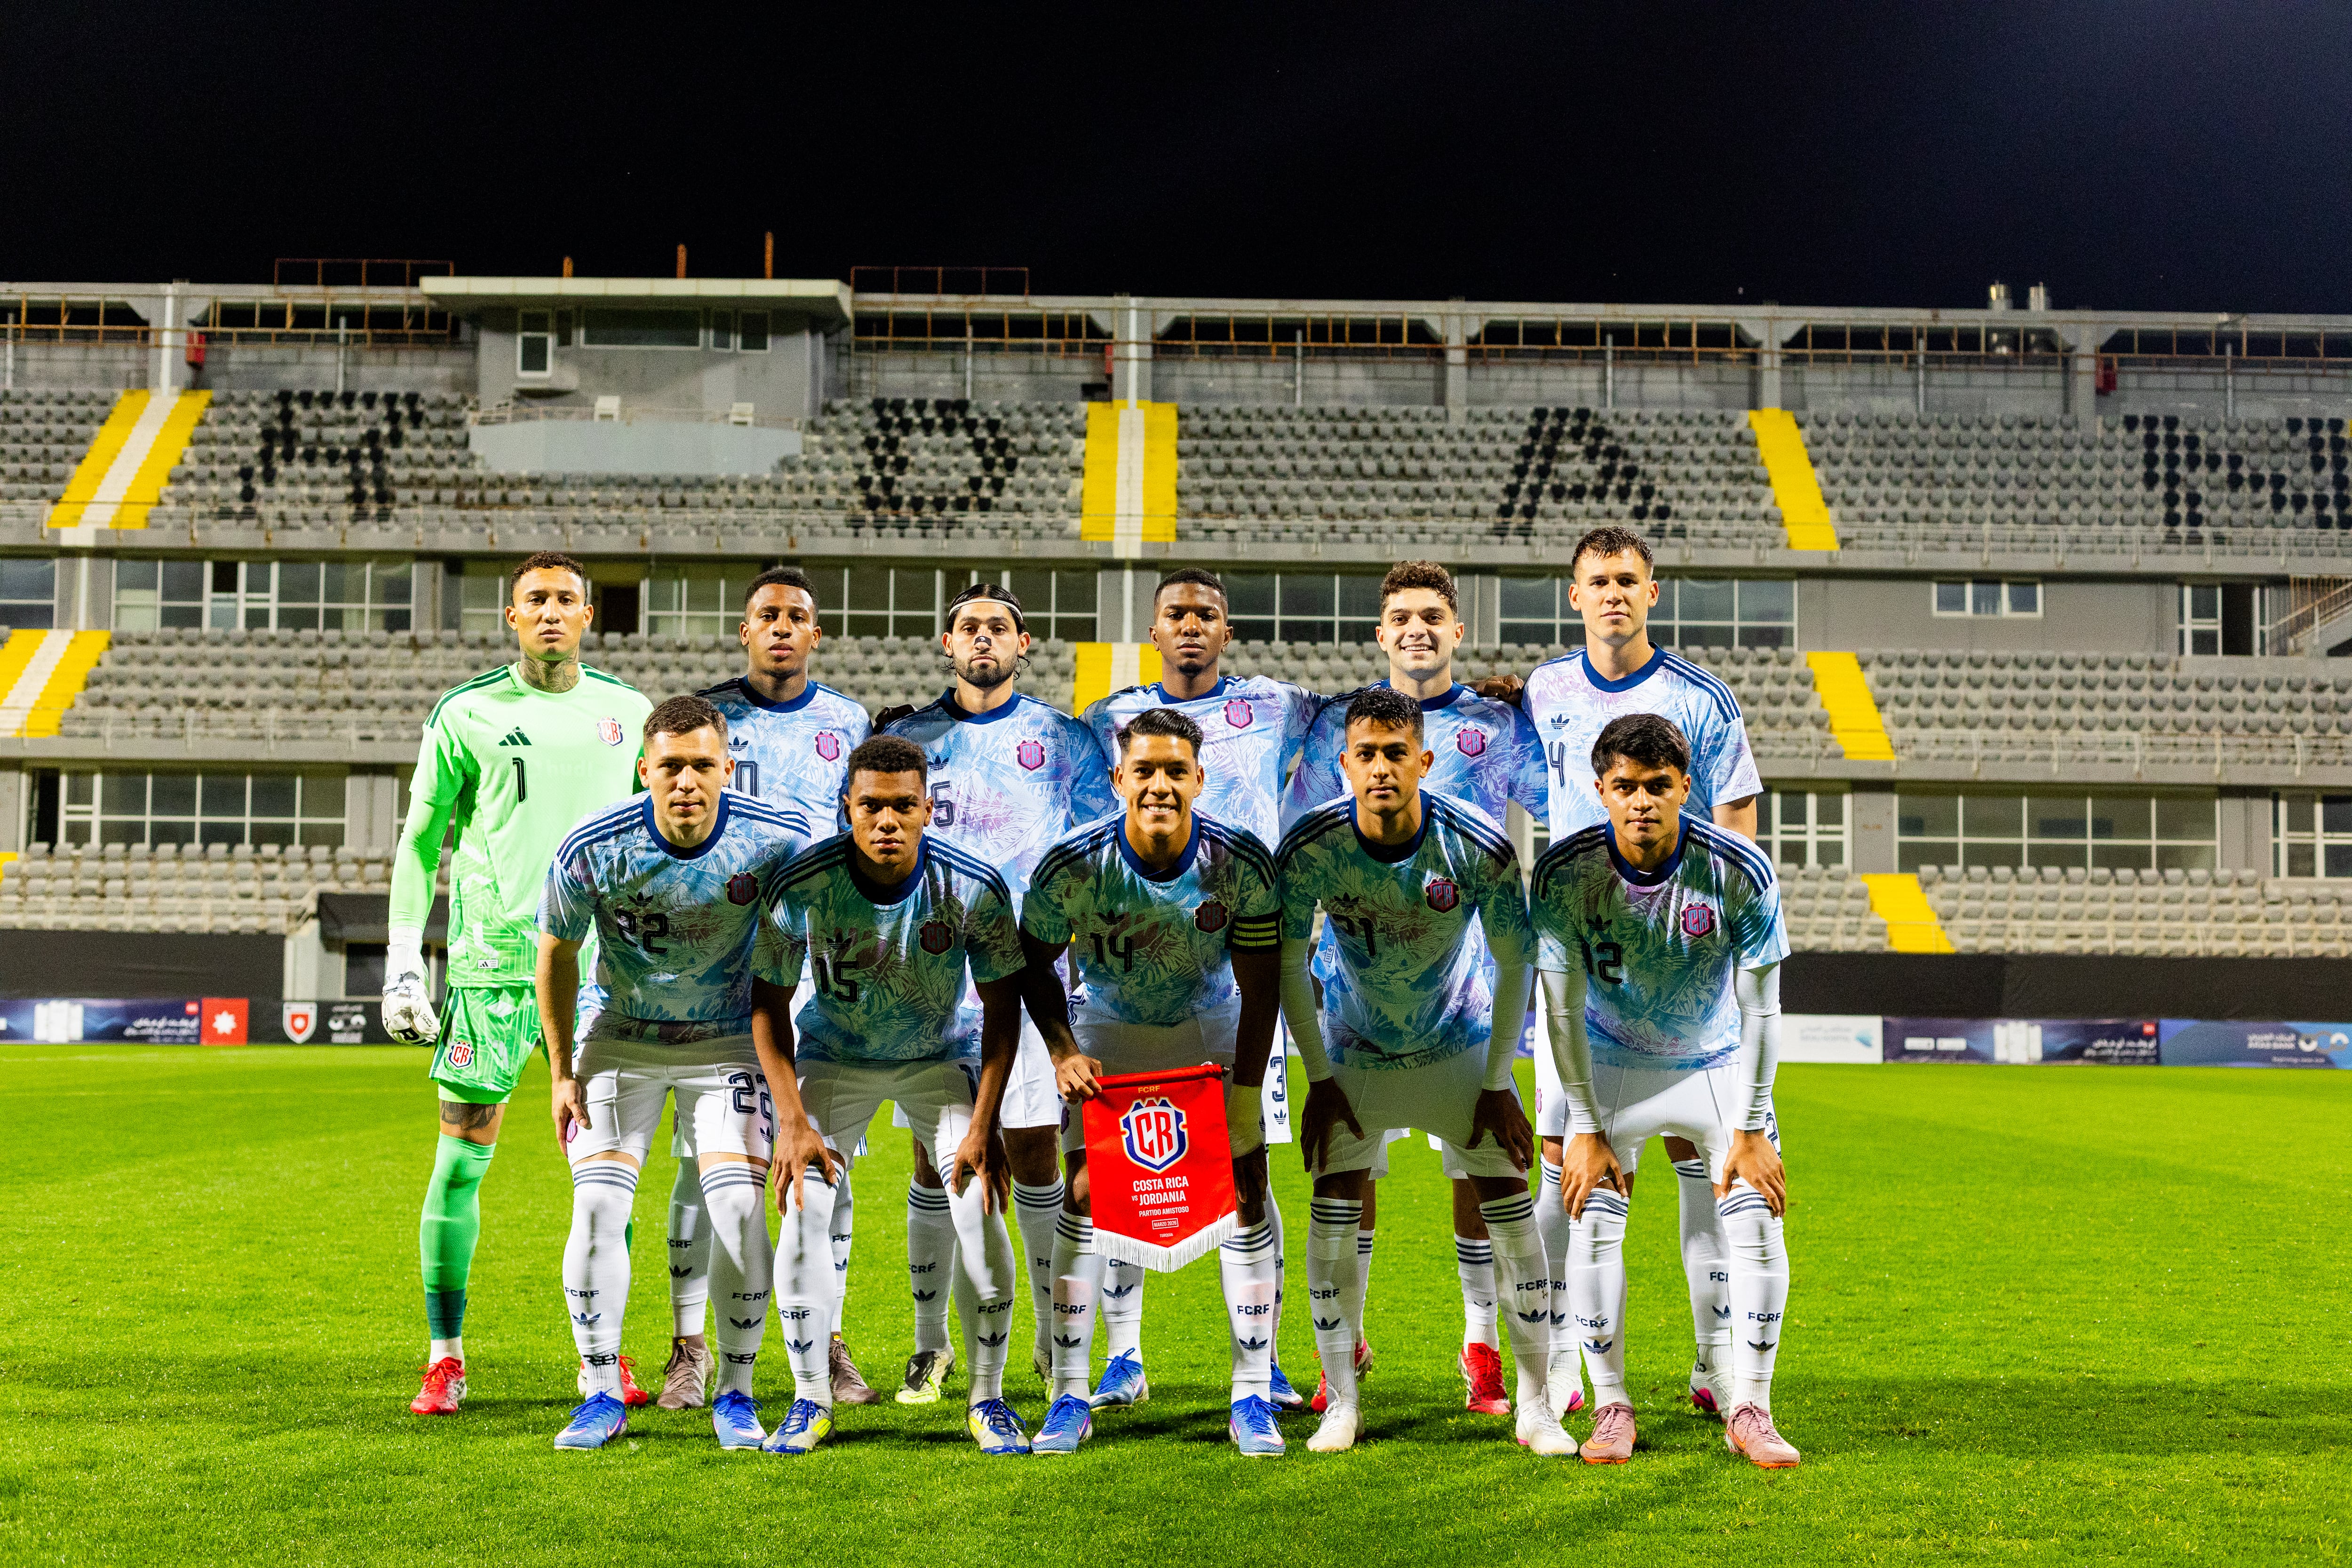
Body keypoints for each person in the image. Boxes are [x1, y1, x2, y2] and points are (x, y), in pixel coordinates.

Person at [385, 550, 652, 1417]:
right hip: (493, 965)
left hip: (605, 969)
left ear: (587, 615)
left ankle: (599, 1360)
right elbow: (422, 840)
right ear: (511, 615)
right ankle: (445, 1356)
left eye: (565, 599)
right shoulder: (465, 713)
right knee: (462, 1154)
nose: (549, 612)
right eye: (534, 599)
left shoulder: (629, 712)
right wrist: (402, 956)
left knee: (606, 1167)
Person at [1281, 560, 1551, 1420]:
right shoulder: (1340, 723)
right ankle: (1344, 1348)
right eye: (1401, 615)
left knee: (1476, 1173)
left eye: (1433, 615)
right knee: (1348, 1176)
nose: (1417, 629)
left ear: (1456, 628)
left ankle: (1481, 1341)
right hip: (1356, 987)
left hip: (1465, 986)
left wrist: (1525, 701)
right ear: (1380, 632)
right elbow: (1305, 831)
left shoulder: (1499, 720)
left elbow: (1564, 793)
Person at [1519, 525, 1765, 1417]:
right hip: (1582, 968)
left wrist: (1711, 955)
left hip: (1684, 977)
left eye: (1629, 578)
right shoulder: (1544, 688)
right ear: (1575, 595)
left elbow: (1738, 836)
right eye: (1598, 580)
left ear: (1652, 593)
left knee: (1704, 1168)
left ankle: (1715, 1366)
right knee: (1565, 1162)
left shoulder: (1704, 699)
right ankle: (1558, 1370)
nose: (1614, 592)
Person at [535, 694, 814, 1451]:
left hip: (726, 1041)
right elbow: (556, 955)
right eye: (670, 766)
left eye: (701, 764)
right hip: (621, 1036)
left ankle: (738, 1390)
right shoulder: (592, 845)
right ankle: (599, 1390)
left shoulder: (779, 839)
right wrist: (562, 1072)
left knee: (738, 1213)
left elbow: (809, 944)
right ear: (643, 770)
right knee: (594, 1208)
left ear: (728, 766)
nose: (686, 780)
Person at [1529, 712, 1798, 1468]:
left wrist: (1749, 1128)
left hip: (1713, 1064)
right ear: (1599, 791)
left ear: (1687, 787)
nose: (1640, 801)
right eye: (1624, 786)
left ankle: (1752, 1405)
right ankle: (1611, 1403)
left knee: (1757, 1220)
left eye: (1657, 786)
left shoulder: (1740, 870)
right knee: (1593, 1217)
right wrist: (1581, 1122)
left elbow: (1763, 1009)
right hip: (1613, 1066)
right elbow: (1558, 1008)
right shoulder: (1564, 873)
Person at [1017, 707, 1287, 1455]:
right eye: (1145, 770)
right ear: (1117, 781)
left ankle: (1252, 1392)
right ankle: (1074, 1392)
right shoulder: (1071, 864)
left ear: (1200, 779)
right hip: (1109, 1030)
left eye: (1176, 771)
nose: (1160, 785)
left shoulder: (1242, 862)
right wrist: (1065, 1049)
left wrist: (1243, 1092)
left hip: (1211, 1027)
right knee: (1086, 1195)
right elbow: (1033, 964)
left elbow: (1262, 988)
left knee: (1245, 1189)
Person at [1079, 565, 1316, 1409]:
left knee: (1246, 1168)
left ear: (1226, 628)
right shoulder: (1104, 722)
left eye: (1206, 613)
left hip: (1235, 972)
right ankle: (1122, 1357)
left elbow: (1386, 709)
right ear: (1154, 631)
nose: (1190, 625)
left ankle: (1267, 1355)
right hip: (1127, 976)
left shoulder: (1284, 705)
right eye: (1175, 613)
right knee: (1117, 1170)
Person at [763, 735, 1033, 1455]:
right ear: (846, 807)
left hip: (937, 1058)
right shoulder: (803, 883)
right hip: (836, 1057)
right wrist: (792, 1120)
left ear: (928, 808)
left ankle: (989, 1398)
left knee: (978, 1205)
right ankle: (808, 1399)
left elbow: (1004, 1012)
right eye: (871, 805)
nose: (888, 820)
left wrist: (984, 1123)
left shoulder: (972, 884)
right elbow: (767, 1006)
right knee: (802, 1208)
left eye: (903, 805)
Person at [881, 584, 1116, 1403]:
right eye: (969, 627)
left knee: (1035, 1156)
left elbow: (1092, 848)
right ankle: (928, 1344)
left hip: (1025, 975)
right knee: (935, 1162)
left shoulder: (1063, 739)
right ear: (947, 643)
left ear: (1025, 644)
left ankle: (1057, 1346)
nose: (984, 638)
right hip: (929, 980)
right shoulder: (905, 737)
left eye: (999, 628)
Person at [680, 565, 876, 1412]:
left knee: (823, 1162)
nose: (783, 628)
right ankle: (690, 1347)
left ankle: (824, 1338)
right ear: (745, 628)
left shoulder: (848, 721)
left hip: (813, 969)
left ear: (817, 632)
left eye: (798, 616)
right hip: (722, 974)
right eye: (769, 615)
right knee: (706, 1172)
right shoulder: (702, 719)